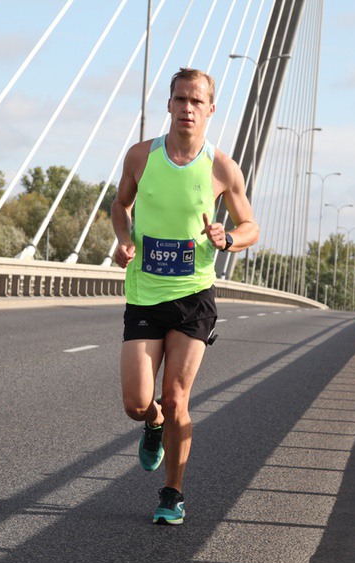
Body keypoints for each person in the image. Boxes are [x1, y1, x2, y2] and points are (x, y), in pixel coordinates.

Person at [111, 67, 260, 525]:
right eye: (180, 99)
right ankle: (153, 423)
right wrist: (124, 239)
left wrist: (227, 238)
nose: (187, 108)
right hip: (144, 293)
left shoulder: (221, 168)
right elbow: (120, 205)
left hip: (193, 296)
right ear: (169, 105)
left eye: (197, 101)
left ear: (210, 110)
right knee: (137, 404)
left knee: (177, 398)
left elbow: (250, 226)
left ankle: (172, 493)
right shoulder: (141, 156)